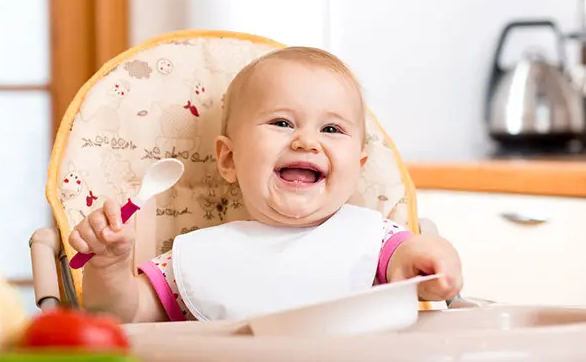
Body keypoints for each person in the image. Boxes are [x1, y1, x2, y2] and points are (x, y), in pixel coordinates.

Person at [69, 46, 463, 323]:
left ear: (358, 167)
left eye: (331, 128)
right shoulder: (196, 257)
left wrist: (435, 263)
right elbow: (121, 315)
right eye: (282, 123)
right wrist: (110, 265)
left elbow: (415, 258)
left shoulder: (374, 240)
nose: (306, 141)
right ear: (228, 159)